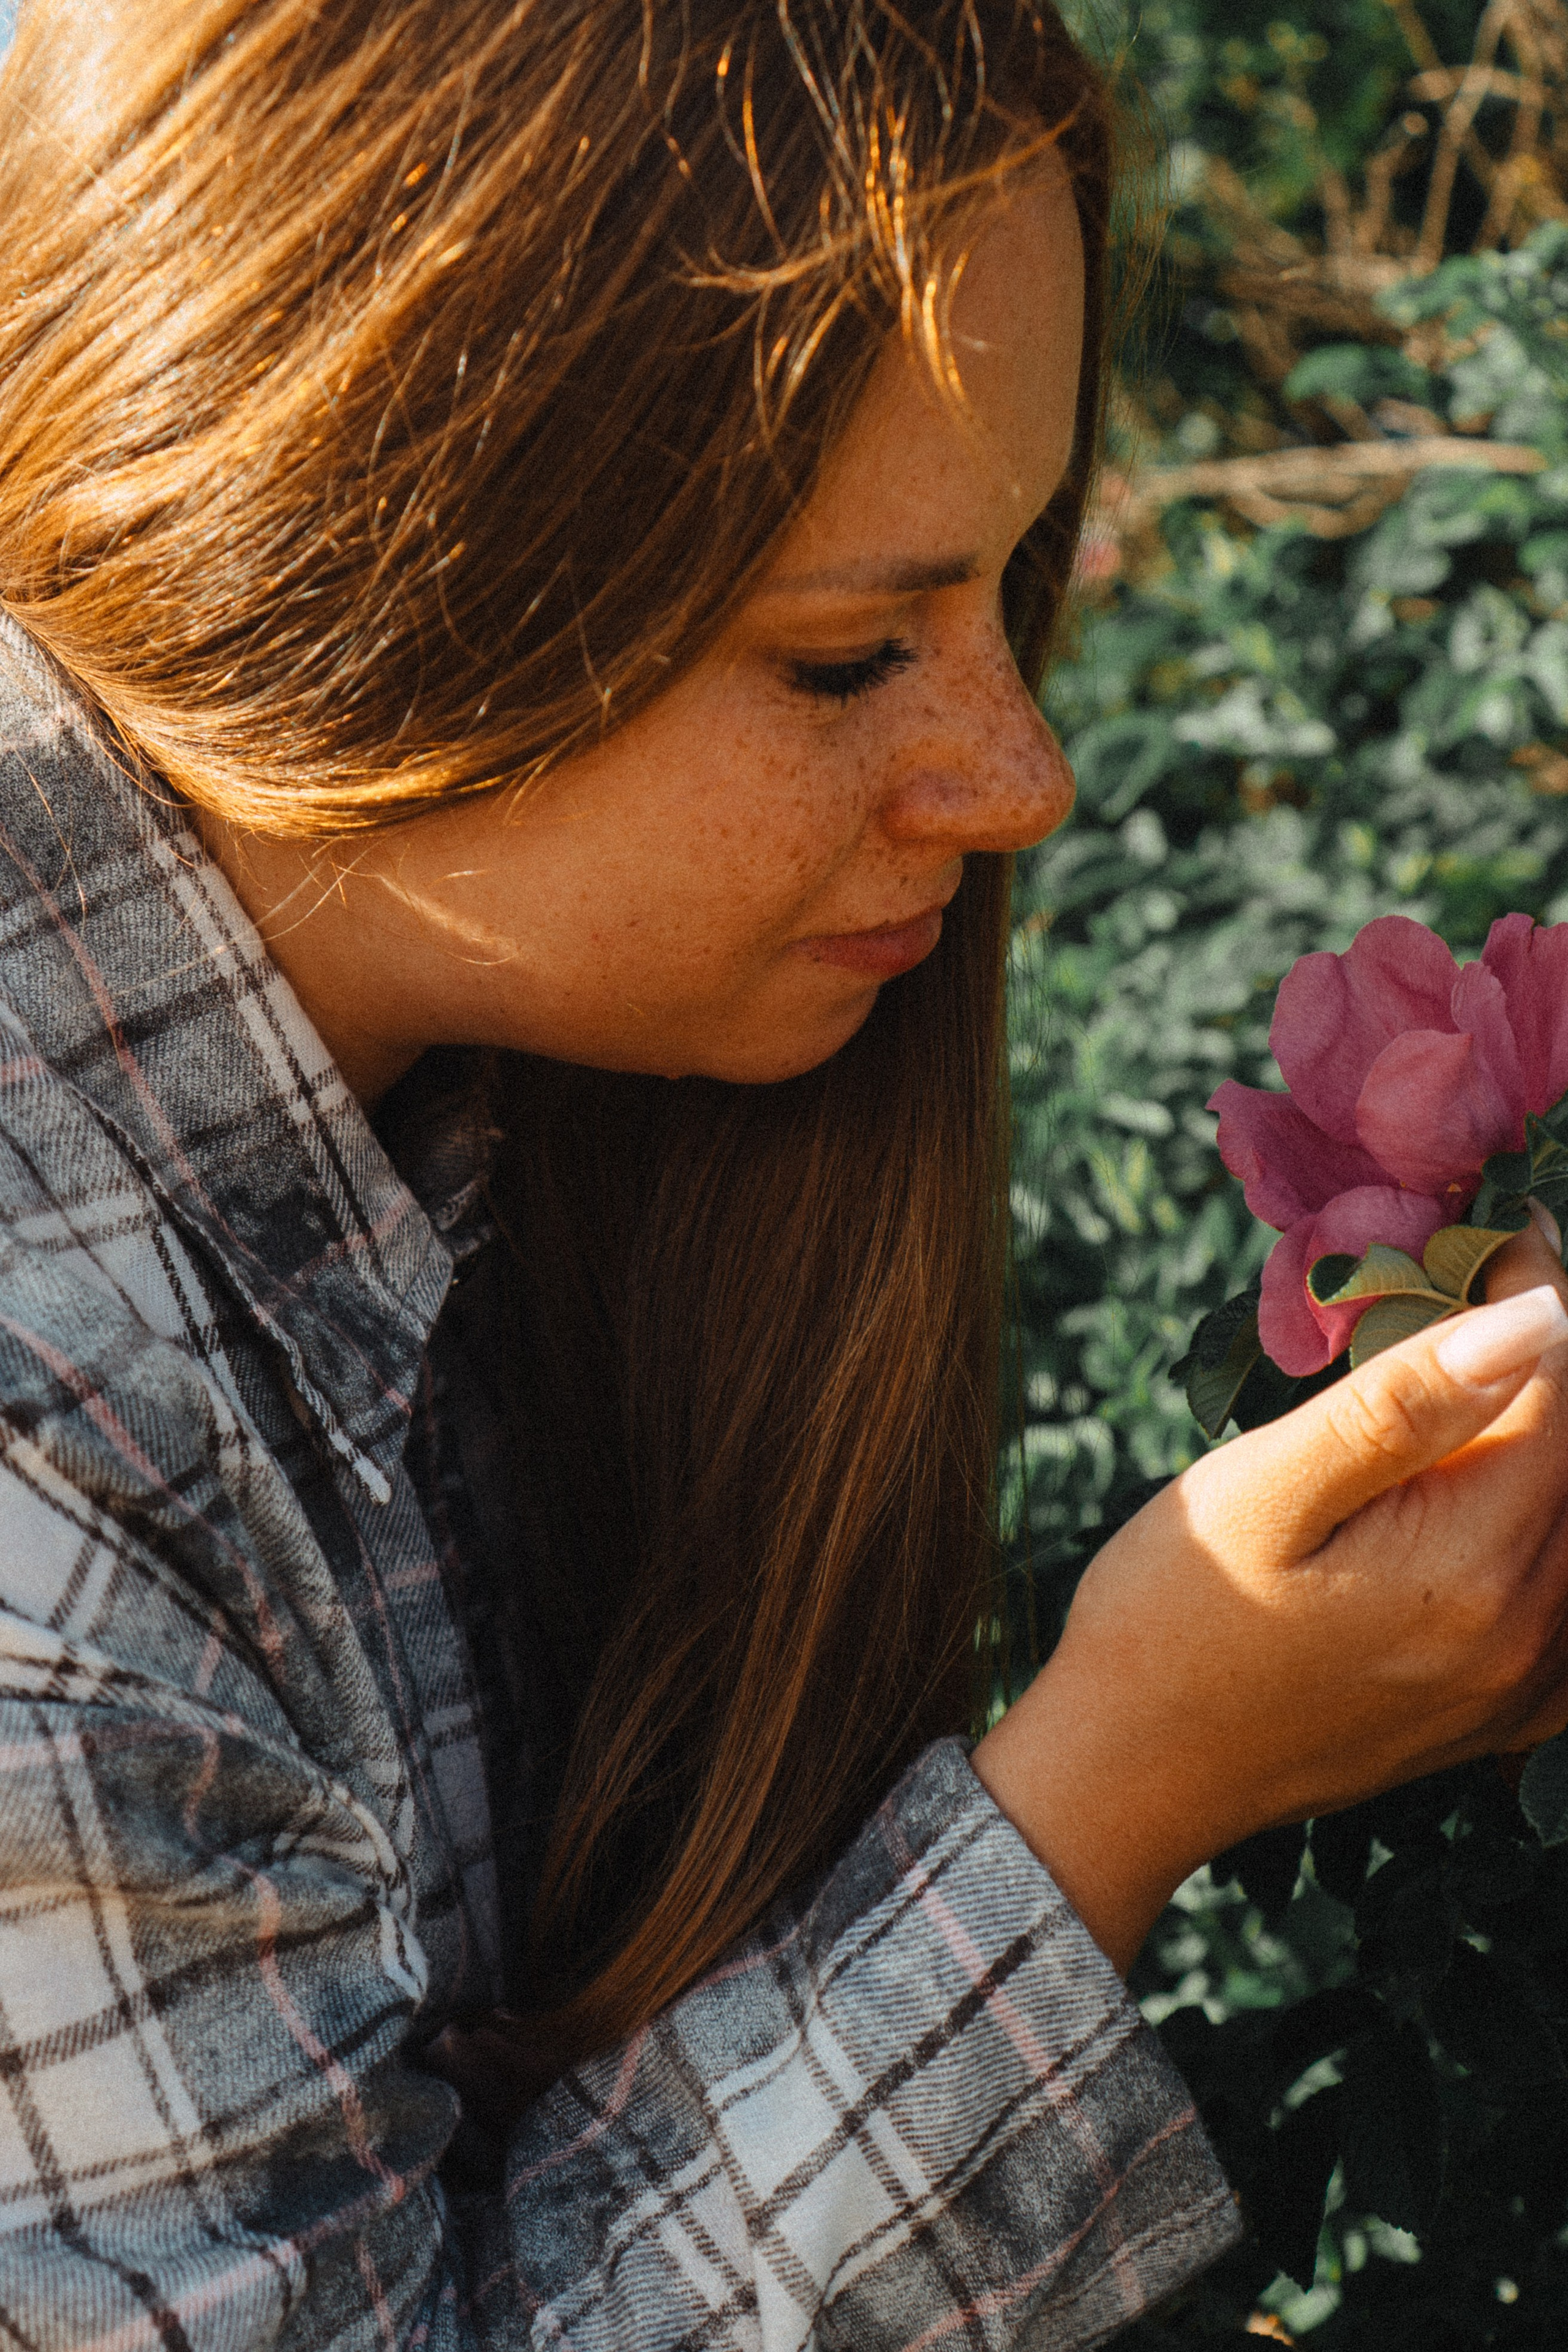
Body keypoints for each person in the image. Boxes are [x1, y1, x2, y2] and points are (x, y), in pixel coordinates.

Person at [0, 2, 1564, 2345]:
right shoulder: (42, 1466)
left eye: (1009, 584)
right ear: (342, 570)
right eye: (850, 657)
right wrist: (1130, 1766)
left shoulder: (497, 1089)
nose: (1022, 774)